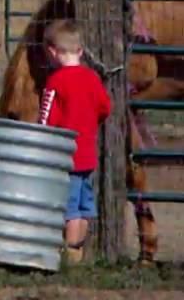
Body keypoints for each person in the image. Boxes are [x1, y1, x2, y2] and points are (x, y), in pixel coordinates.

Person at [38, 19, 111, 264]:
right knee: (83, 205)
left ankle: (69, 254)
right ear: (80, 51)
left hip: (66, 156)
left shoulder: (55, 82)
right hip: (88, 154)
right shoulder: (92, 78)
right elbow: (105, 108)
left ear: (52, 52)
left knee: (68, 206)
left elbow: (46, 120)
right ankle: (78, 250)